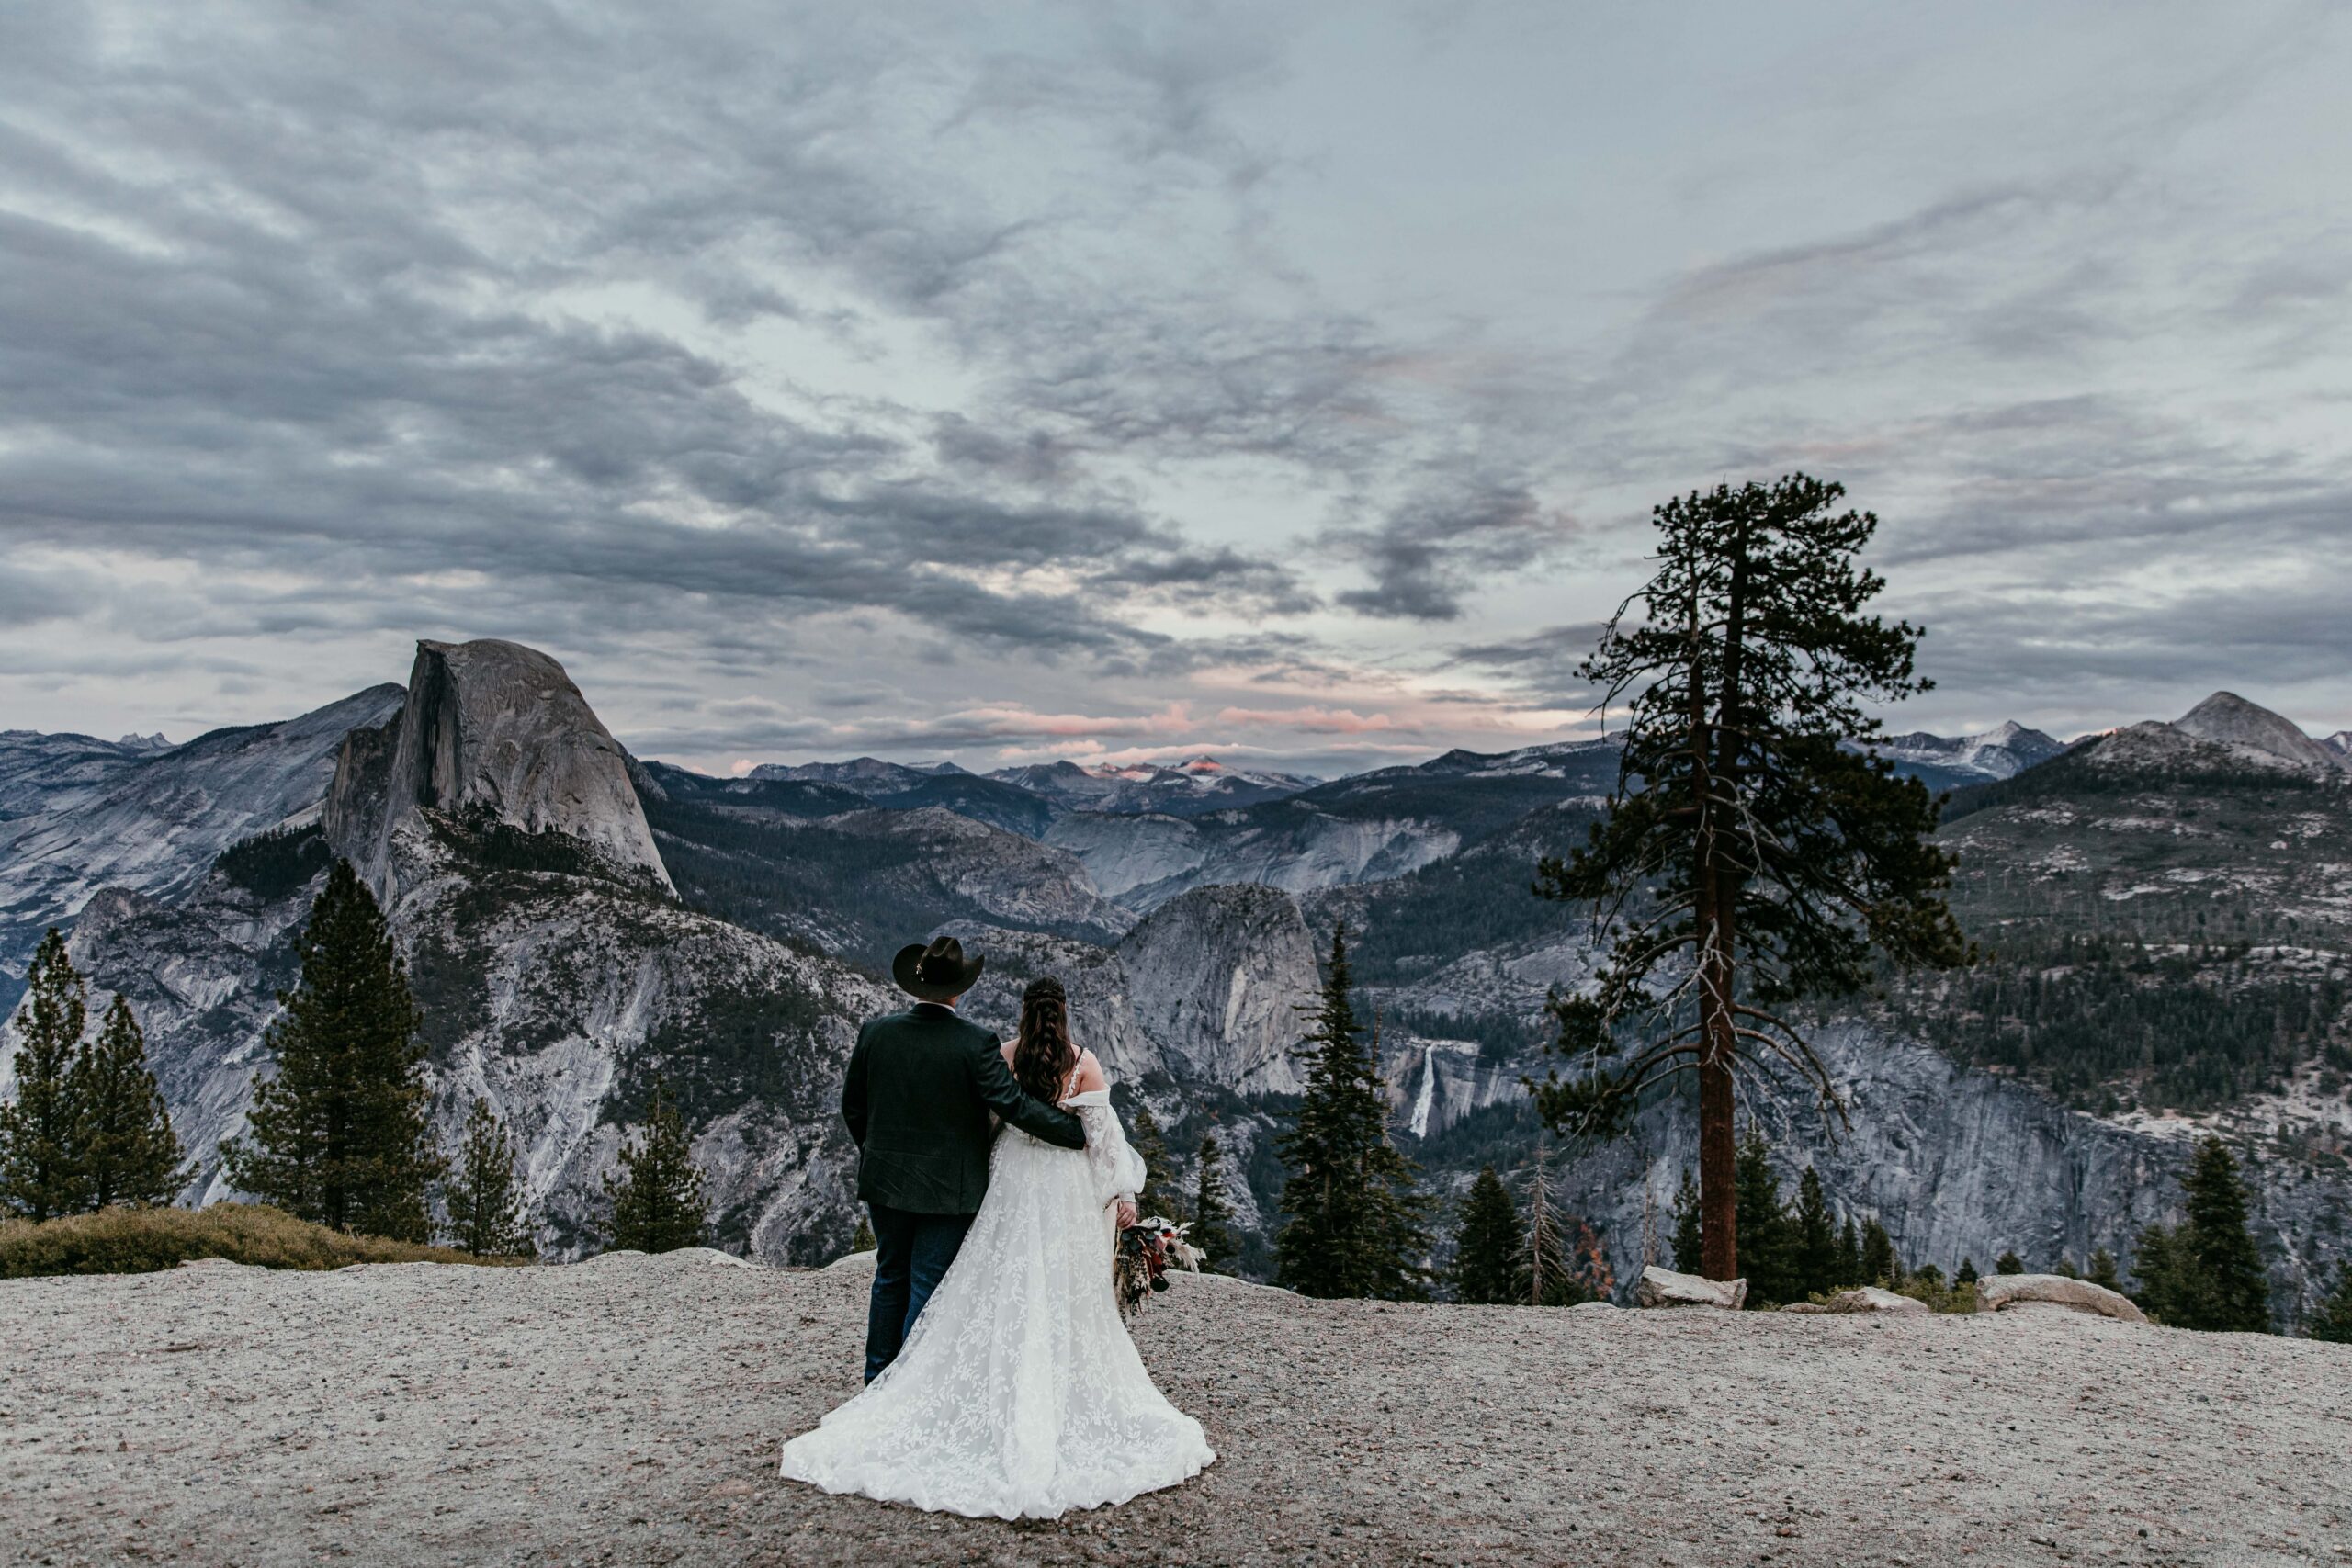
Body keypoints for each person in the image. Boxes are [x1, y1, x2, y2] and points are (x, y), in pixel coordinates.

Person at [780, 971, 1216, 1518]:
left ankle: (885, 1383)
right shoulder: (1069, 1058)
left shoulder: (929, 1039)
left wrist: (884, 1153)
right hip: (1049, 1187)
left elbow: (888, 1111)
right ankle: (911, 1386)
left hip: (946, 1179)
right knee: (1029, 1284)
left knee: (903, 1276)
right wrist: (1101, 1169)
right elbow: (1093, 1133)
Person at [837, 934, 1085, 1382]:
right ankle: (907, 1387)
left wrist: (875, 1153)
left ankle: (876, 1378)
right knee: (926, 1282)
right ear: (960, 990)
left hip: (885, 1181)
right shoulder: (975, 1044)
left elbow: (852, 1106)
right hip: (947, 1191)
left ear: (917, 985)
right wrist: (1074, 1133)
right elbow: (1014, 1105)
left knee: (890, 1274)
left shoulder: (875, 1033)